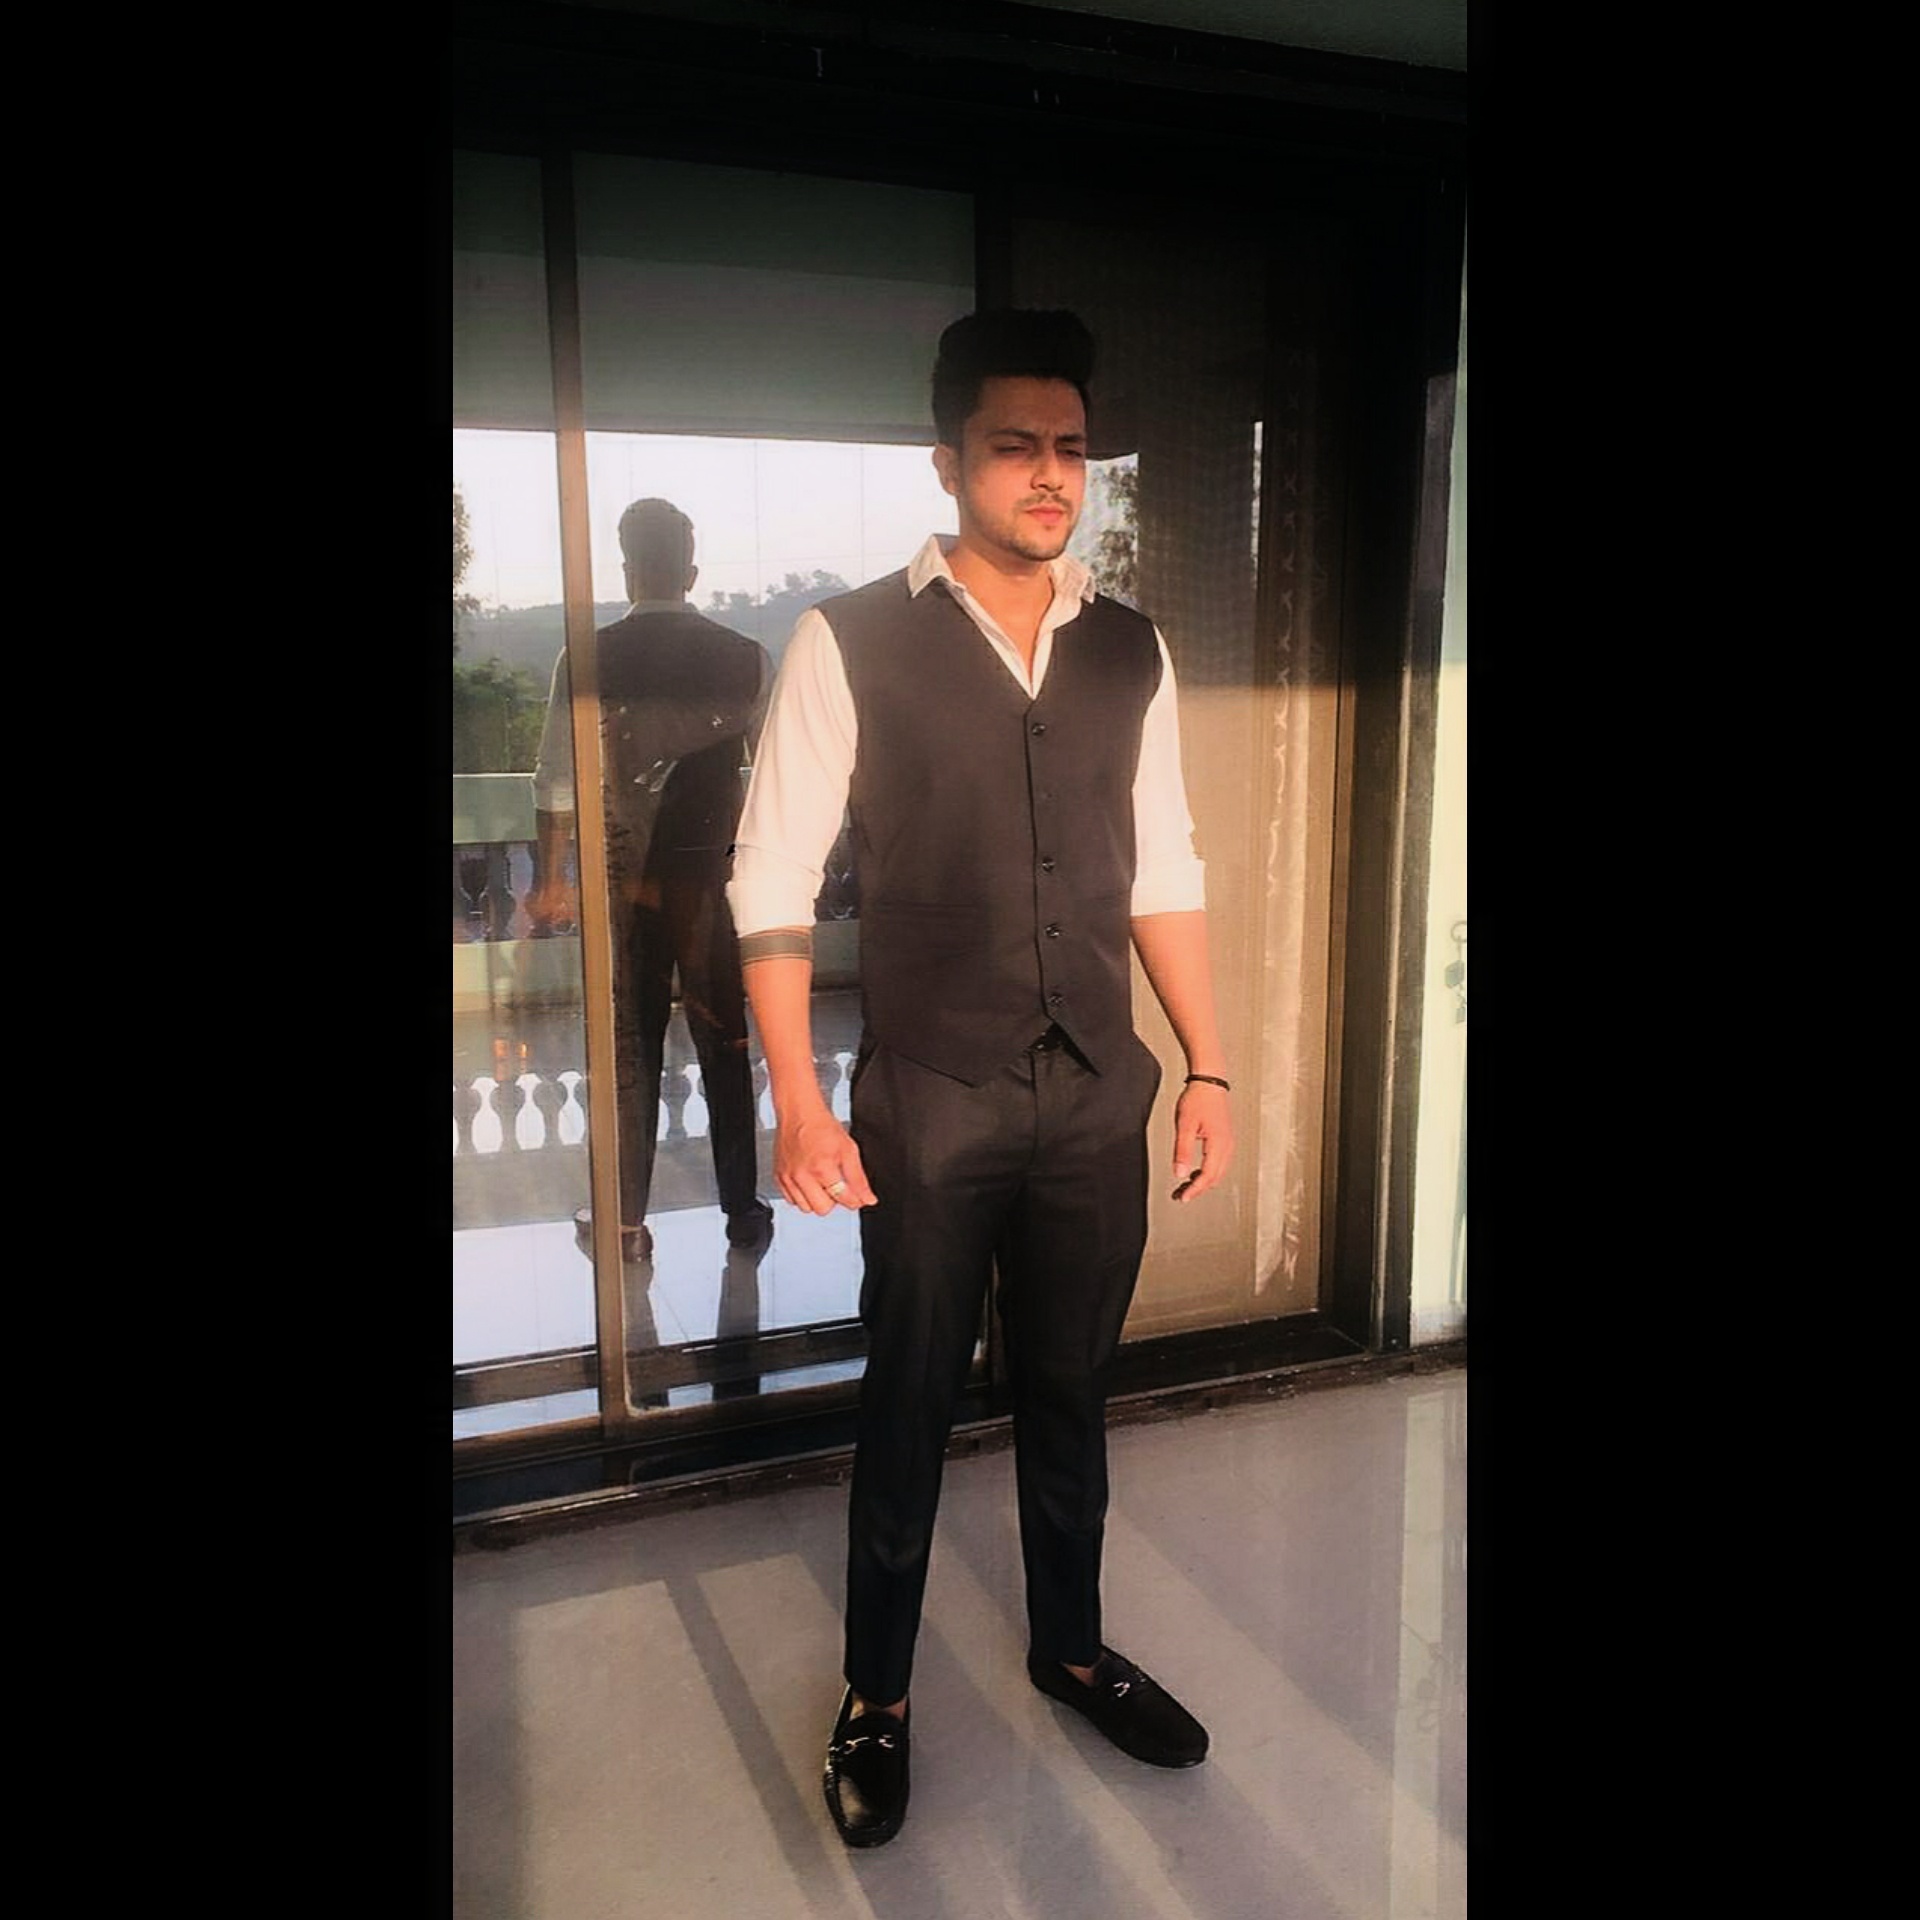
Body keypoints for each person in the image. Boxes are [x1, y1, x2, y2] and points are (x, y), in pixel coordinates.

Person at [726, 310, 1234, 1848]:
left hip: (1093, 1096)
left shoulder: (1130, 646)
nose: (1050, 472)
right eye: (1015, 444)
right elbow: (772, 875)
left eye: (1071, 447)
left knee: (1073, 1387)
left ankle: (1069, 1647)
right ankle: (877, 1694)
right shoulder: (847, 641)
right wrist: (800, 1102)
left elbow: (1165, 866)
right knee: (910, 1398)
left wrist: (1208, 1066)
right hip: (932, 1097)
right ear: (948, 462)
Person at [531, 497, 775, 1263]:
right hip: (712, 883)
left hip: (624, 881)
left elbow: (555, 783)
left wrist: (551, 880)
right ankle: (742, 1210)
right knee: (725, 1040)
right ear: (691, 573)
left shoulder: (586, 657)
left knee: (629, 1050)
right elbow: (774, 784)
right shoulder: (746, 657)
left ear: (627, 570)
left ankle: (627, 1222)